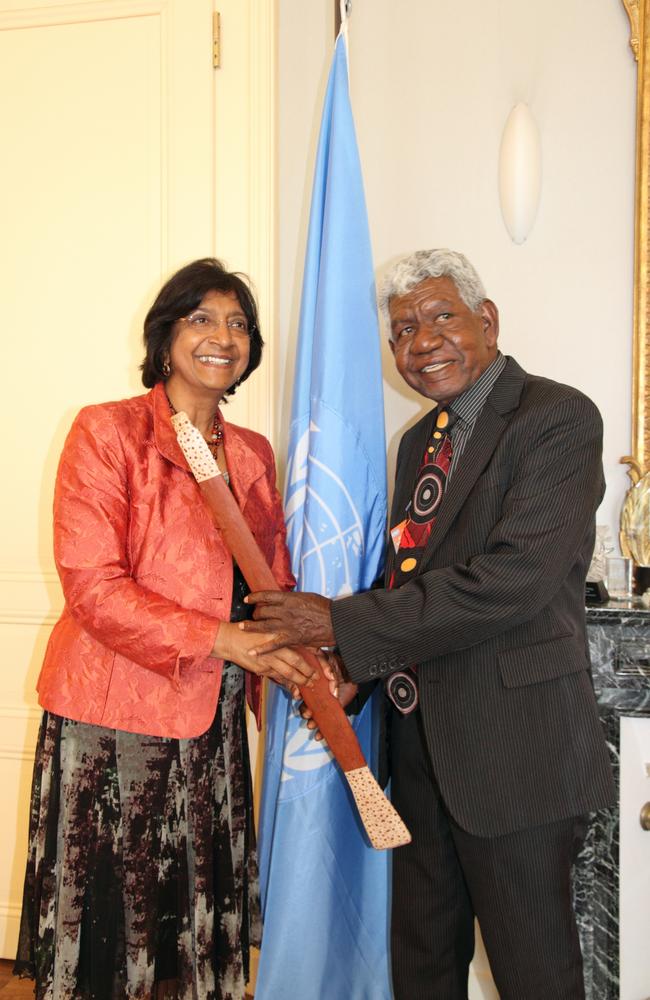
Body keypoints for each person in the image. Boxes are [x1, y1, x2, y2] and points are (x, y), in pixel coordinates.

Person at [240, 249, 615, 999]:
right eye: (404, 329)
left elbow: (512, 582)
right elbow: (410, 581)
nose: (422, 341)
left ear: (488, 320)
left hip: (515, 758)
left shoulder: (556, 416)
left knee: (535, 975)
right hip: (417, 759)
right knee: (421, 971)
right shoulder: (418, 443)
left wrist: (341, 623)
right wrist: (355, 672)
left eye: (442, 317)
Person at [14, 258, 321, 1000]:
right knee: (115, 931)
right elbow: (94, 588)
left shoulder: (251, 453)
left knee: (192, 920)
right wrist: (221, 640)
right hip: (112, 721)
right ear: (166, 334)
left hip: (210, 721)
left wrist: (301, 661)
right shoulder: (107, 431)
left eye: (239, 323)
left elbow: (268, 585)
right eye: (202, 318)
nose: (224, 336)